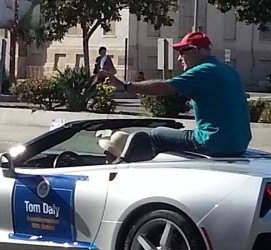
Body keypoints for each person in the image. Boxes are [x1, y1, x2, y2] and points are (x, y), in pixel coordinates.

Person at [98, 32, 252, 157]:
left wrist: (125, 86)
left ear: (196, 50)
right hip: (239, 145)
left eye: (181, 52)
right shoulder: (229, 71)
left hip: (213, 143)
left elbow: (164, 88)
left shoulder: (203, 71)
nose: (179, 58)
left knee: (157, 134)